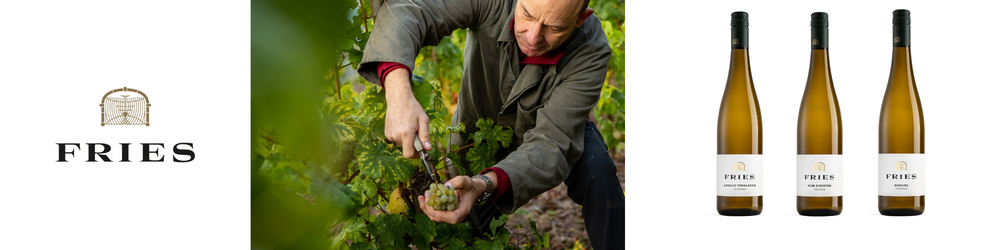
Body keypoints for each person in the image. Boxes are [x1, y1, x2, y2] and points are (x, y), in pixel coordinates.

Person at [357, 0, 624, 249]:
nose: (533, 38)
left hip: (555, 132)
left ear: (580, 19)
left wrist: (485, 183)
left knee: (596, 168)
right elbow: (408, 8)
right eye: (527, 15)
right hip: (475, 135)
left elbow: (552, 143)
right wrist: (397, 92)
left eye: (554, 28)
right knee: (466, 229)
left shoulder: (591, 51)